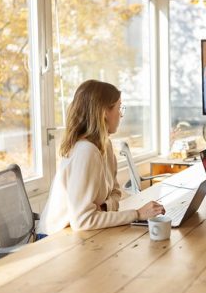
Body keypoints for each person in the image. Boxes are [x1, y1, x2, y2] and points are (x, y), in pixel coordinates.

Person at [37, 80, 165, 237]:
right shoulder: (86, 151)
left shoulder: (106, 145)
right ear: (104, 112)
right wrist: (137, 214)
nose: (121, 115)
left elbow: (116, 192)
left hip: (78, 233)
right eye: (119, 108)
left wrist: (103, 208)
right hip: (54, 239)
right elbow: (83, 220)